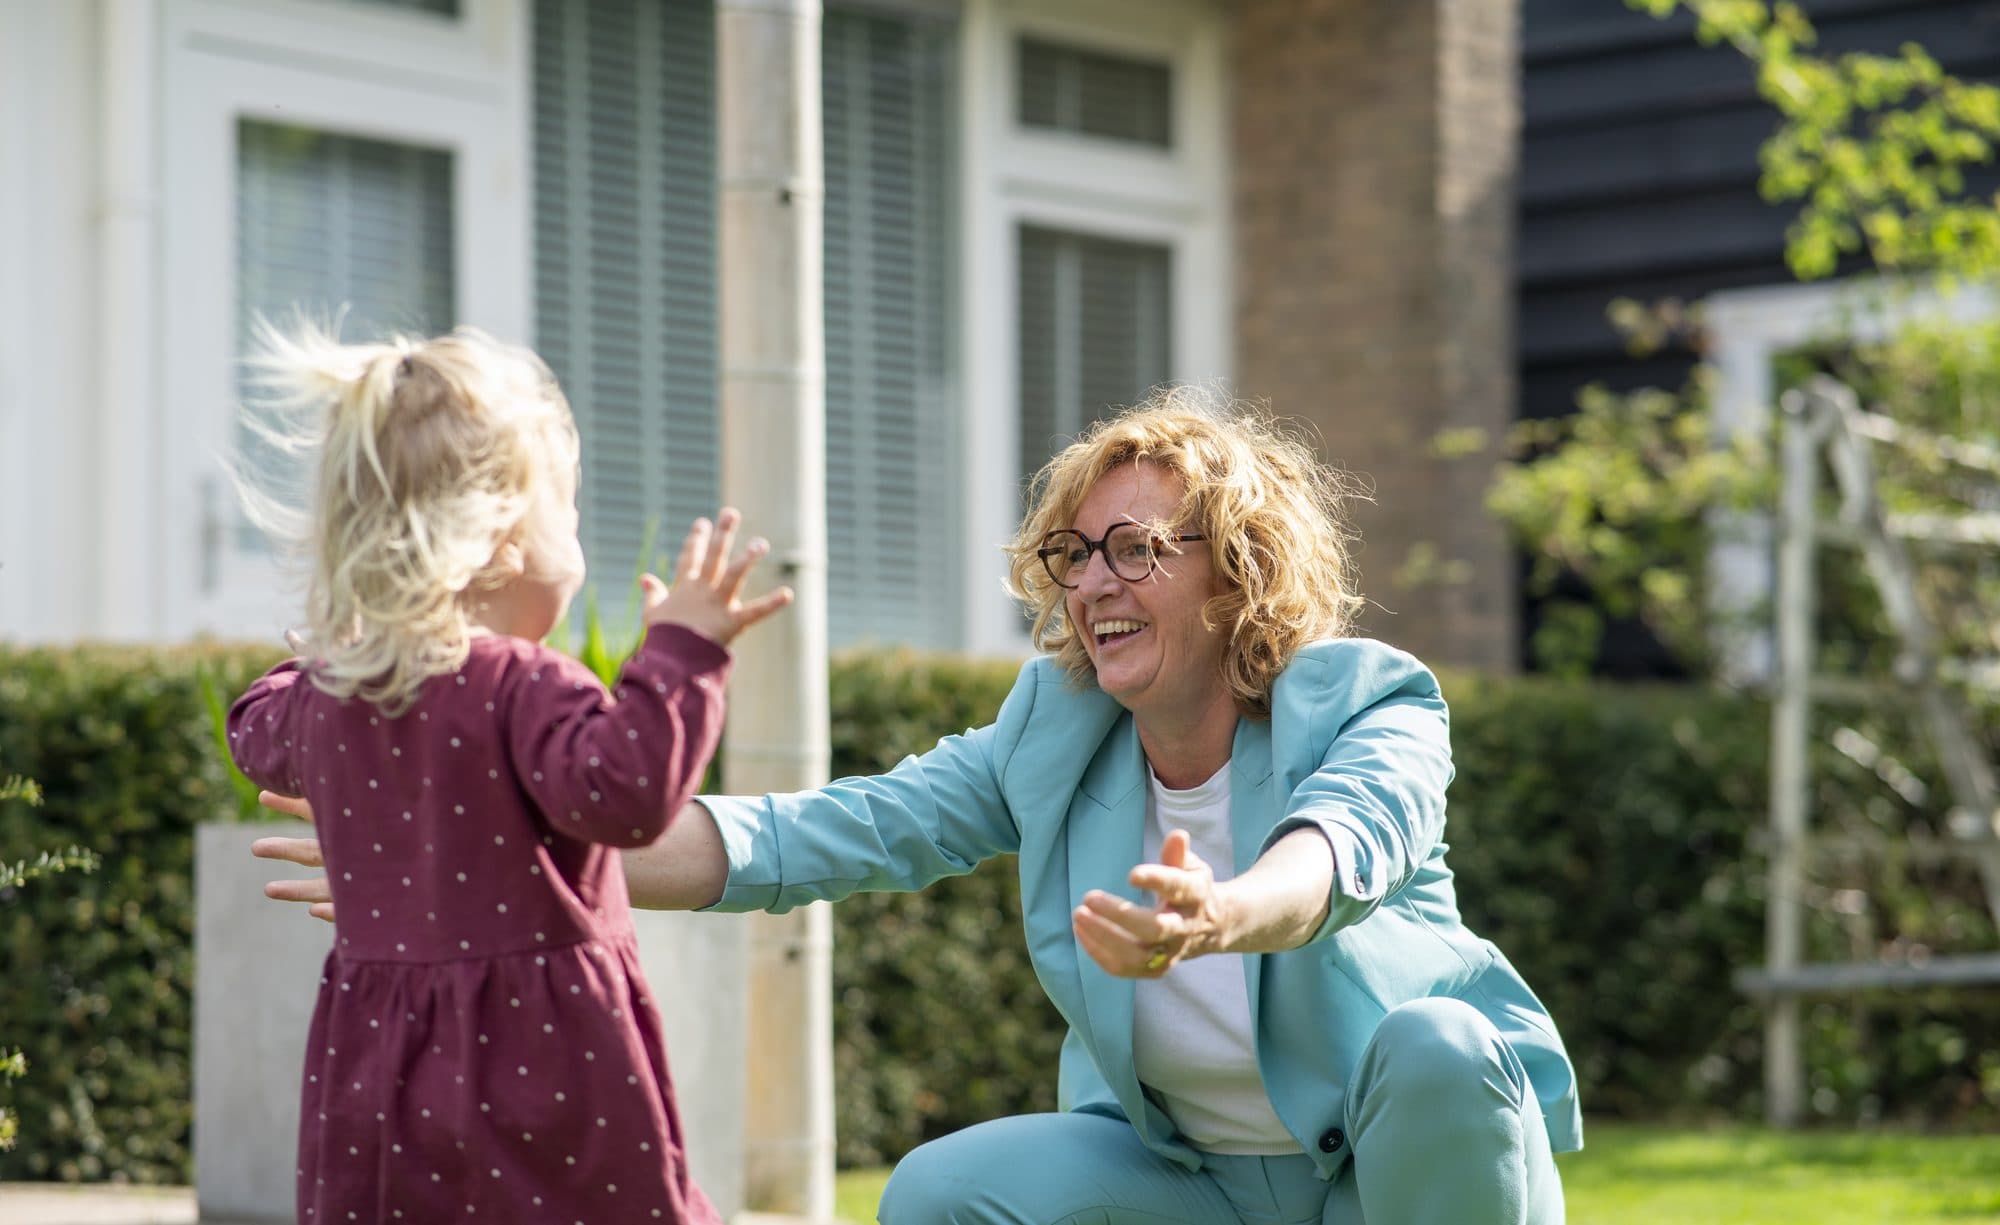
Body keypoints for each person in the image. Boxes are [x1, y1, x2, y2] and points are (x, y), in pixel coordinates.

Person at [258, 390, 1580, 1224]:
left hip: (1385, 1172)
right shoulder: (1058, 729)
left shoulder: (1369, 699)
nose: (1090, 581)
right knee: (942, 1194)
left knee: (1442, 1047)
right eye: (1075, 551)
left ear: (1234, 577)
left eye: (1135, 549)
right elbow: (817, 836)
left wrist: (1225, 912)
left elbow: (1340, 851)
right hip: (1194, 1181)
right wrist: (465, 850)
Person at [228, 325, 791, 1224]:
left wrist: (322, 658)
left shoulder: (333, 700)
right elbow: (629, 792)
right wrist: (681, 651)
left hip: (379, 1066)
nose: (575, 529)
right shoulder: (525, 686)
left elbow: (255, 730)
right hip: (546, 1065)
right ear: (501, 534)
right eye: (563, 508)